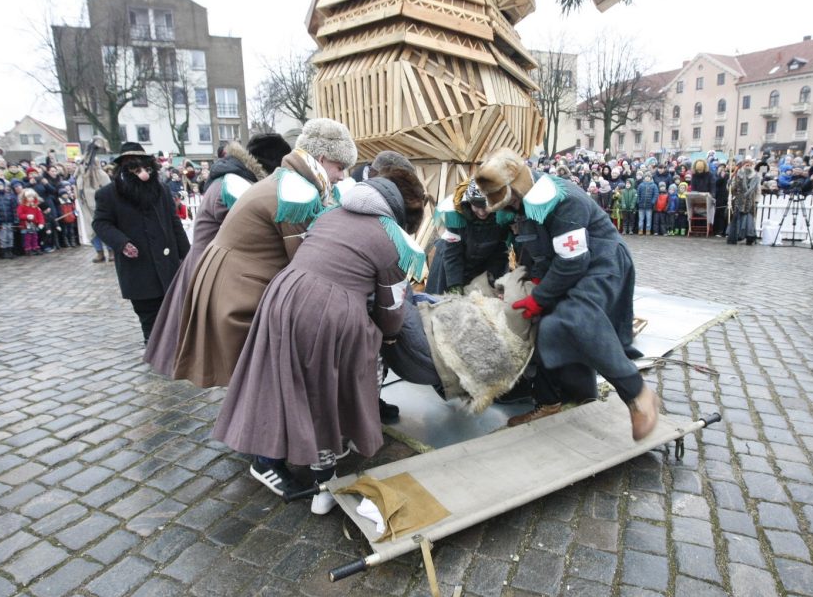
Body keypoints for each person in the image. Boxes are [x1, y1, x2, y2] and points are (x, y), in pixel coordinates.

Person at [212, 173, 427, 510]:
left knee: (284, 381)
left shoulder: (331, 215)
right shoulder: (392, 240)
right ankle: (324, 478)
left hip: (282, 296)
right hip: (328, 314)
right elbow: (391, 307)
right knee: (334, 386)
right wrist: (387, 336)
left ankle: (273, 453)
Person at [473, 148, 660, 441]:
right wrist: (536, 284)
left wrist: (539, 297)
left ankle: (639, 394)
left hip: (602, 263)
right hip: (571, 267)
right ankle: (552, 401)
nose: (507, 208)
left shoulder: (564, 201)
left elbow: (573, 262)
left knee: (576, 318)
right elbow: (542, 251)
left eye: (509, 199)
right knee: (547, 326)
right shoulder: (526, 205)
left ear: (518, 187)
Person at [173, 119, 355, 388]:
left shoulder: (288, 180)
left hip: (232, 279)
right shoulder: (297, 192)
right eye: (339, 167)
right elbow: (305, 265)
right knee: (261, 381)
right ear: (322, 157)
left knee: (252, 381)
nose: (341, 176)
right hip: (239, 288)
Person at [143, 134, 291, 377]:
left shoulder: (235, 179)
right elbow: (253, 231)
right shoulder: (233, 185)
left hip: (213, 266)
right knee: (217, 348)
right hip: (212, 271)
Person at [92, 143, 191, 342]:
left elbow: (174, 222)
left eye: (146, 169)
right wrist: (121, 243)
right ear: (126, 170)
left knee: (173, 307)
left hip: (166, 261)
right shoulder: (108, 194)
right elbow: (101, 224)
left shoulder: (160, 190)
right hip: (138, 264)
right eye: (137, 170)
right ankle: (154, 346)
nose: (144, 175)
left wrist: (188, 254)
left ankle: (173, 345)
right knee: (148, 311)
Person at [426, 178, 511, 295]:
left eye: (486, 207)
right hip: (450, 263)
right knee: (446, 302)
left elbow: (500, 250)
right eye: (476, 206)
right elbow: (453, 254)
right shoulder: (455, 215)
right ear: (469, 202)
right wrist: (455, 286)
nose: (482, 212)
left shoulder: (501, 215)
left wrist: (494, 279)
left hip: (483, 262)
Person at [727, 157, 761, 245]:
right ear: (743, 166)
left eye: (749, 165)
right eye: (746, 165)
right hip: (739, 200)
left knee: (749, 220)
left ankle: (750, 237)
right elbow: (732, 188)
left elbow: (758, 190)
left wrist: (757, 200)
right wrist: (729, 184)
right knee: (736, 219)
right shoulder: (737, 175)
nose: (748, 166)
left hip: (750, 201)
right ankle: (734, 237)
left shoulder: (756, 177)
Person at [17, 189, 45, 256]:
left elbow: (40, 215)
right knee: (27, 238)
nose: (31, 198)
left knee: (35, 237)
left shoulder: (35, 207)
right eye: (29, 197)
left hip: (34, 225)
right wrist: (27, 216)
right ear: (25, 198)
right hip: (25, 225)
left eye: (32, 197)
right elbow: (19, 215)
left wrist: (41, 223)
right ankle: (28, 249)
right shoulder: (21, 206)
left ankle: (35, 248)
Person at [713, 163, 729, 237]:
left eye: (723, 167)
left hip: (726, 196)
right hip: (719, 197)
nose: (722, 169)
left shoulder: (728, 175)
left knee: (726, 215)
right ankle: (719, 230)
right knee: (719, 215)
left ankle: (725, 231)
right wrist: (721, 177)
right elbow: (716, 183)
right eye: (720, 167)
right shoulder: (717, 176)